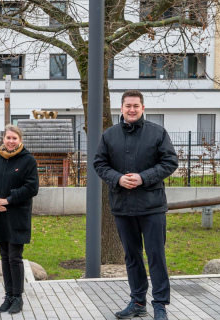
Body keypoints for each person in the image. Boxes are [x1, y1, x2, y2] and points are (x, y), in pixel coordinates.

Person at [94, 90, 178, 320]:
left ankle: (160, 304)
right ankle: (138, 301)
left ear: (142, 108)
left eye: (136, 106)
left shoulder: (157, 133)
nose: (132, 109)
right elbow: (99, 163)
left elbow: (170, 161)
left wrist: (144, 177)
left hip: (152, 206)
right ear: (121, 108)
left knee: (156, 256)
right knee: (132, 257)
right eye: (128, 105)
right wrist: (118, 178)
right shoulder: (109, 135)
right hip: (123, 206)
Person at [0, 124, 39, 315]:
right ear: (3, 140)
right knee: (5, 257)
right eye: (8, 138)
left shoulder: (28, 161)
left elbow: (32, 188)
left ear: (20, 140)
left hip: (17, 217)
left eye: (15, 138)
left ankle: (18, 298)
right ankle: (8, 295)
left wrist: (8, 199)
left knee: (15, 257)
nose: (11, 141)